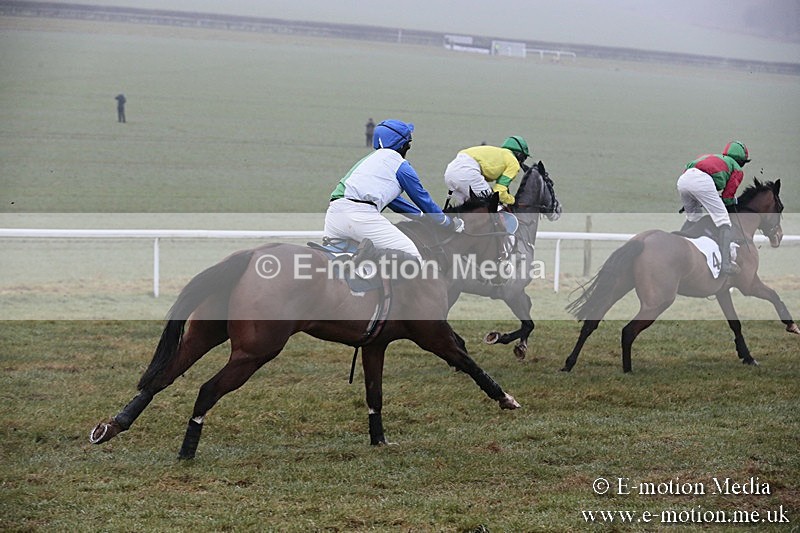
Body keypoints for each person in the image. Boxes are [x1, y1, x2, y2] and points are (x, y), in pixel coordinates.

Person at [325, 119, 463, 265]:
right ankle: (372, 253)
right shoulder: (401, 166)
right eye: (409, 143)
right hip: (361, 217)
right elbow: (423, 199)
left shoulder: (367, 161)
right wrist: (446, 222)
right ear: (403, 145)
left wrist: (422, 217)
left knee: (335, 267)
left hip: (334, 216)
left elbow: (394, 202)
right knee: (413, 259)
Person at [677, 141, 750, 275]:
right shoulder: (737, 169)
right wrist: (733, 203)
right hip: (702, 182)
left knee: (693, 217)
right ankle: (725, 265)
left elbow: (689, 170)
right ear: (741, 161)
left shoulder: (710, 156)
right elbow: (727, 197)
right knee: (724, 221)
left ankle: (677, 246)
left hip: (683, 180)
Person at [444, 136, 531, 208]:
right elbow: (499, 192)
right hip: (467, 172)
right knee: (493, 205)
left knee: (468, 211)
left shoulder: (498, 153)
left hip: (449, 173)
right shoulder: (513, 162)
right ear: (520, 155)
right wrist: (513, 200)